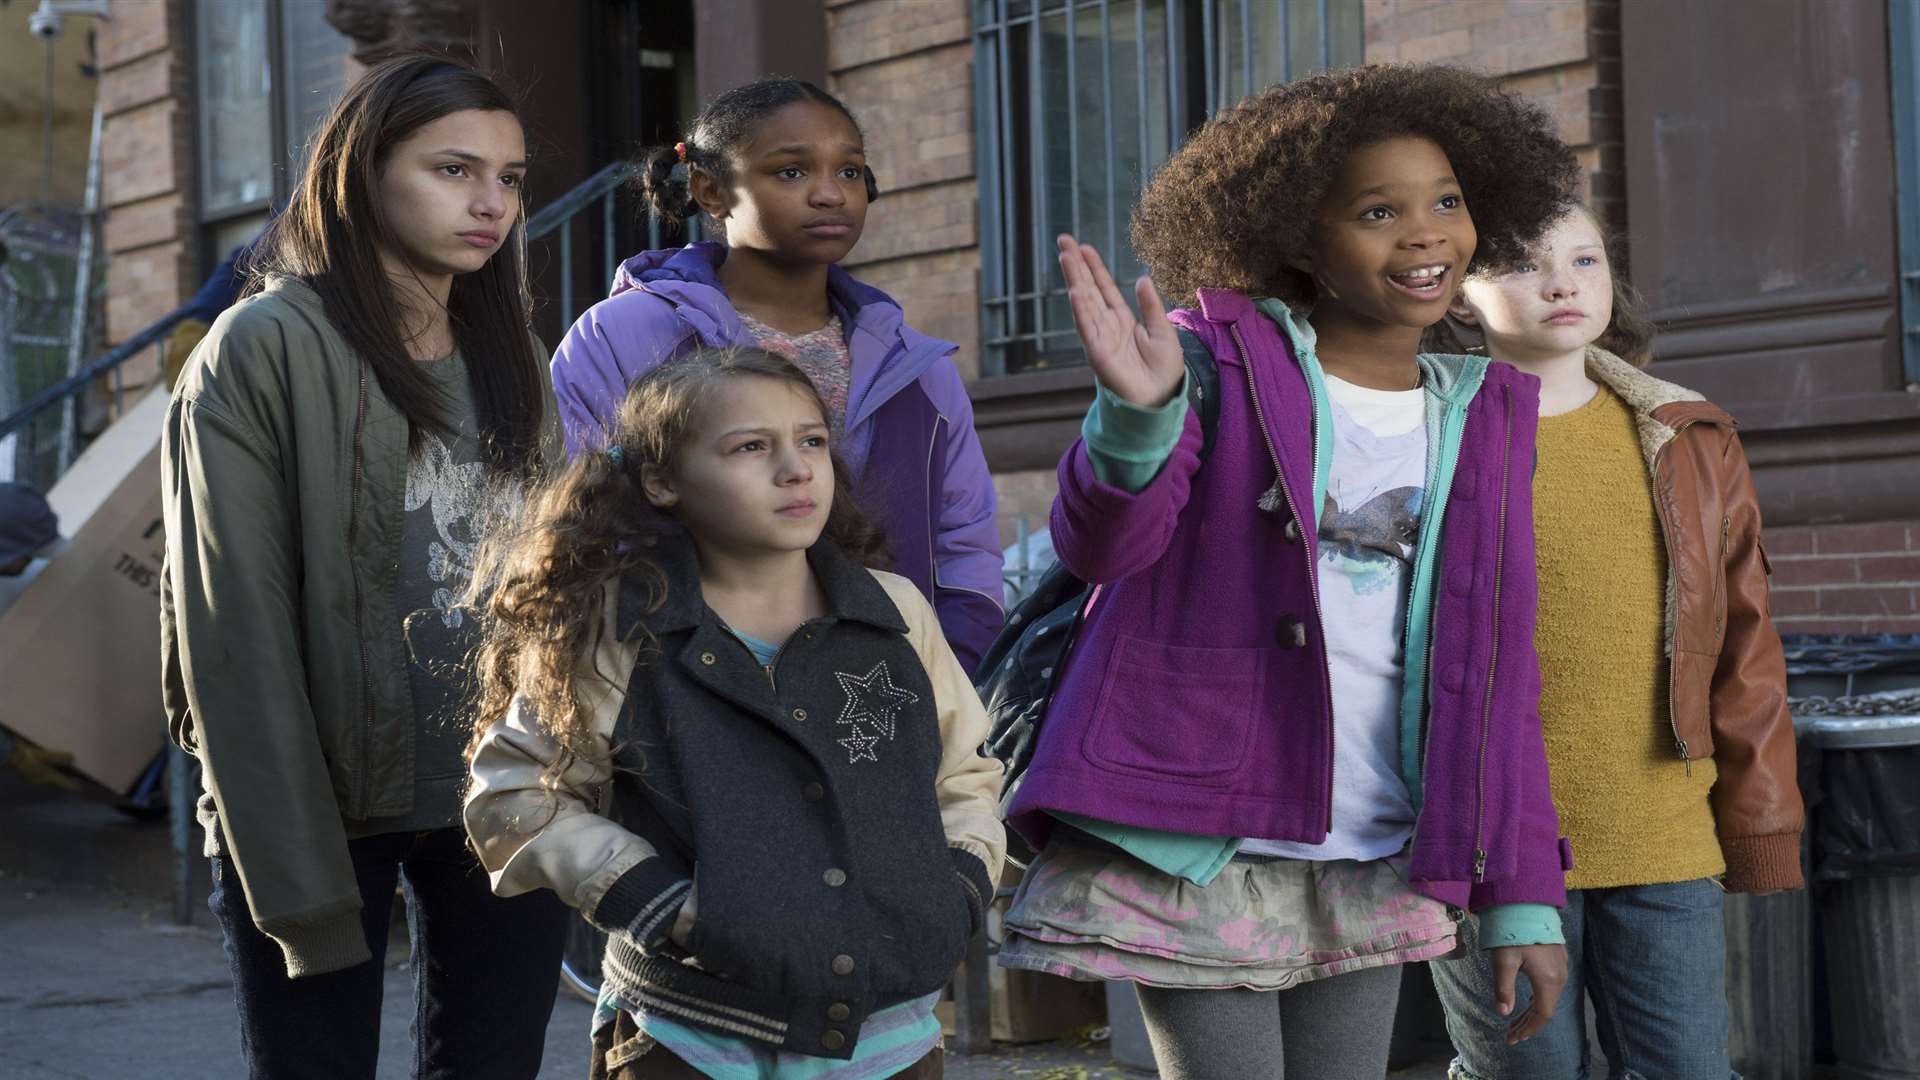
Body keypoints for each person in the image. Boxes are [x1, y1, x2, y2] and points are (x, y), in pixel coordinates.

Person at [995, 64, 1584, 1079]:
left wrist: (1523, 895)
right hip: (1202, 838)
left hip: (1372, 845)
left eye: (1446, 201)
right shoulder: (1212, 361)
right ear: (1300, 238)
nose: (1426, 233)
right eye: (1377, 210)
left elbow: (1499, 673)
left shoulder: (1484, 412)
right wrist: (1138, 416)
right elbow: (1106, 546)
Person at [160, 55, 567, 1079]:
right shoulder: (261, 347)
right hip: (320, 795)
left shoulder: (510, 347)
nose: (490, 203)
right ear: (364, 172)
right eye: (454, 170)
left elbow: (558, 579)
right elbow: (231, 625)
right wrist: (286, 864)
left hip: (501, 785)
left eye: (510, 179)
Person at [464, 346, 1006, 1078]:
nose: (795, 469)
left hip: (893, 1043)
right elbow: (515, 794)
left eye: (811, 440)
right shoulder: (617, 629)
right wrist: (663, 906)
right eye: (751, 447)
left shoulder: (898, 613)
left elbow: (966, 774)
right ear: (662, 480)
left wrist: (958, 891)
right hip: (690, 1040)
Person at [1423, 205, 1803, 1080]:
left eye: (1584, 259)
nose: (1562, 282)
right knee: (1524, 1073)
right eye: (1522, 263)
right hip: (1491, 841)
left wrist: (1762, 821)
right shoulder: (1431, 431)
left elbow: (1746, 644)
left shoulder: (1689, 434)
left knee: (1690, 1069)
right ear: (1459, 293)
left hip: (1663, 828)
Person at [548, 78, 1004, 674]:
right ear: (711, 190)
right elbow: (589, 518)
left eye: (849, 172)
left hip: (885, 696)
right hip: (684, 689)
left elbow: (964, 544)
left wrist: (948, 677)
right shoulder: (624, 336)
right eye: (791, 172)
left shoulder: (921, 372)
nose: (830, 195)